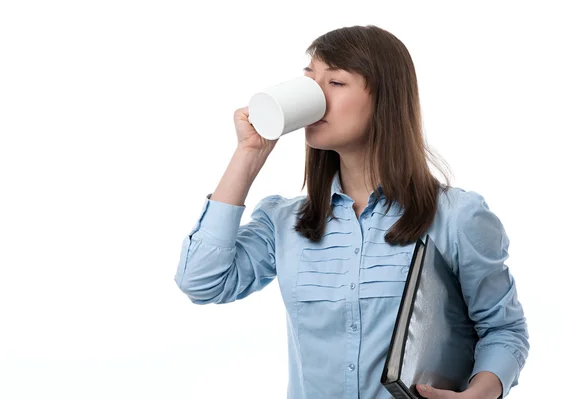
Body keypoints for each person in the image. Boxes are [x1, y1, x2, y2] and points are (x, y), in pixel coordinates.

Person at [174, 25, 529, 399]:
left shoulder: (457, 217)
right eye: (310, 79)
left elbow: (503, 330)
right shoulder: (284, 221)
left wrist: (479, 394)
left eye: (336, 82)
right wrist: (248, 155)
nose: (315, 95)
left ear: (385, 99)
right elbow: (201, 281)